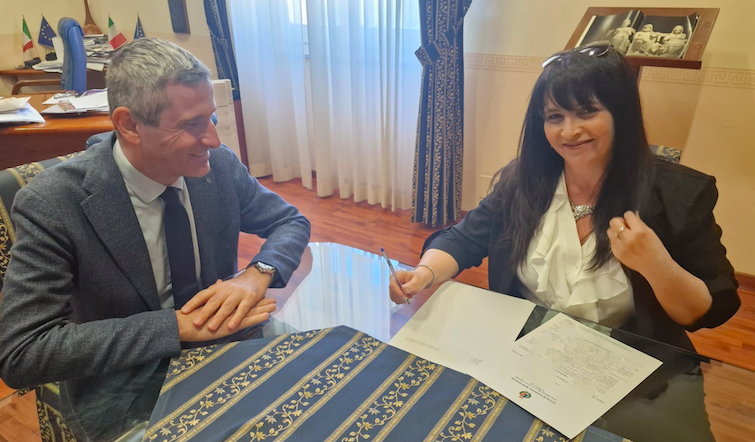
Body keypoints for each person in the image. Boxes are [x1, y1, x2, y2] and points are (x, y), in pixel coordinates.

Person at [0, 38, 310, 438]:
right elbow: (23, 351)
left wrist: (257, 274)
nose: (214, 140)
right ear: (130, 125)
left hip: (231, 341)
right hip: (123, 381)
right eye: (191, 125)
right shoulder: (53, 203)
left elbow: (290, 222)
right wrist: (174, 327)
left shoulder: (218, 166)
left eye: (212, 118)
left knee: (323, 395)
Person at [388, 43, 740, 351]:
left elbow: (712, 310)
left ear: (621, 115)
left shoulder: (681, 194)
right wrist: (424, 273)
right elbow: (462, 239)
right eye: (555, 117)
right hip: (522, 348)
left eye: (587, 112)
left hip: (625, 361)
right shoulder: (522, 181)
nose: (569, 131)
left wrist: (657, 266)